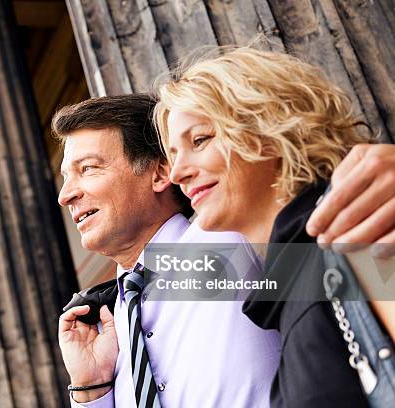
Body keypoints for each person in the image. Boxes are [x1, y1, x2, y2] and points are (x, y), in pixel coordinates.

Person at [54, 93, 395, 406]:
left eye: (87, 169)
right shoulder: (108, 323)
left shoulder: (227, 236)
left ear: (160, 173)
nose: (65, 195)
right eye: (66, 177)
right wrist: (93, 388)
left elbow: (292, 184)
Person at [154, 45, 393, 407]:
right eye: (173, 155)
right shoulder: (287, 285)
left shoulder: (359, 226)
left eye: (199, 140)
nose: (177, 173)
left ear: (268, 125)